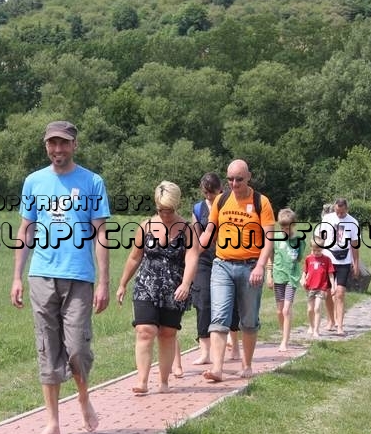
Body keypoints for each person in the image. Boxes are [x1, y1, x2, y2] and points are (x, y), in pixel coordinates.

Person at [11, 120, 108, 434]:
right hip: (41, 275)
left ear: (74, 145)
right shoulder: (33, 182)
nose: (58, 149)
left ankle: (83, 396)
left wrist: (104, 281)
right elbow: (25, 232)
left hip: (79, 277)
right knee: (46, 348)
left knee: (77, 348)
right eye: (52, 144)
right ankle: (53, 423)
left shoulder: (92, 182)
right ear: (46, 147)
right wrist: (17, 277)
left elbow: (101, 235)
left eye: (63, 143)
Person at [116, 181, 199, 395]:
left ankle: (163, 381)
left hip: (174, 288)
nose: (165, 214)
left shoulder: (186, 229)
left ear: (176, 206)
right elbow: (135, 257)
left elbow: (191, 258)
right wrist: (122, 284)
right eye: (161, 210)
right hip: (146, 284)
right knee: (145, 331)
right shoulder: (145, 227)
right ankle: (142, 381)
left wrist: (186, 284)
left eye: (169, 210)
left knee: (167, 334)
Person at [199, 159, 275, 381]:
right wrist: (193, 248)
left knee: (249, 320)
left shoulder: (262, 202)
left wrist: (261, 266)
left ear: (249, 177)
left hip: (251, 267)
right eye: (230, 179)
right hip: (222, 265)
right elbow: (209, 233)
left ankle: (247, 365)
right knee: (219, 317)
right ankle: (217, 369)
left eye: (239, 179)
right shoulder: (221, 201)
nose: (234, 183)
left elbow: (269, 239)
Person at [190, 172, 240, 366]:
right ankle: (205, 352)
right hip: (204, 258)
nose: (209, 197)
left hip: (227, 255)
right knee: (202, 301)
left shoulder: (230, 204)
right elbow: (196, 236)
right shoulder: (198, 208)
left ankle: (234, 344)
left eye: (212, 192)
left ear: (221, 189)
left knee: (230, 300)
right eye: (206, 193)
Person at [315, 198, 360, 337]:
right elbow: (319, 239)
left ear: (347, 209)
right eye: (337, 211)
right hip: (328, 258)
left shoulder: (353, 222)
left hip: (344, 261)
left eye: (342, 212)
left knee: (340, 293)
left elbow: (354, 244)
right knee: (328, 292)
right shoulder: (327, 219)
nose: (339, 214)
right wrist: (315, 256)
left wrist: (356, 264)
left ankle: (340, 326)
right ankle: (331, 320)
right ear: (334, 208)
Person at [266, 208, 304, 352]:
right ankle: (284, 333)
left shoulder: (298, 240)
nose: (284, 230)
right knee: (279, 311)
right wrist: (269, 274)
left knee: (287, 310)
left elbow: (300, 258)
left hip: (291, 278)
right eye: (282, 227)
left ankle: (284, 341)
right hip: (278, 276)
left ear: (293, 225)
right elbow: (270, 257)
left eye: (287, 228)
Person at [300, 239, 335, 337]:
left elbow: (330, 274)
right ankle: (311, 326)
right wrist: (303, 279)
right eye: (314, 250)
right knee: (310, 309)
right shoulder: (308, 259)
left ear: (323, 249)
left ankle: (316, 330)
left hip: (322, 287)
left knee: (317, 308)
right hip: (310, 287)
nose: (316, 253)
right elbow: (305, 272)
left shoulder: (327, 259)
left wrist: (333, 286)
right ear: (311, 248)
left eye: (319, 251)